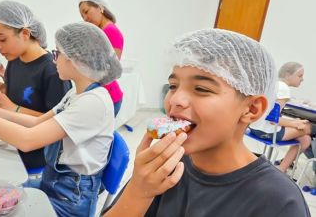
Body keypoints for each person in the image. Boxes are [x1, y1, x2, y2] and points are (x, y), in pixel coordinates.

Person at [104, 29, 310, 217]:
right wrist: (139, 191)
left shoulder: (279, 202)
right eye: (173, 85)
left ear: (251, 108)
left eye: (201, 89)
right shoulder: (166, 168)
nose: (174, 99)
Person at [0, 22, 122, 216]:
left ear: (75, 59)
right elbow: (37, 122)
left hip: (72, 198)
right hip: (53, 182)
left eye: (58, 53)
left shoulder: (92, 102)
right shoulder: (75, 93)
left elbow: (27, 140)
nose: (54, 60)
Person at [0, 1, 72, 173]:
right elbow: (15, 95)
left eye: (2, 39)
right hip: (10, 141)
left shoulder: (52, 71)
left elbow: (57, 122)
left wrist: (14, 109)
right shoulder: (16, 61)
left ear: (25, 33)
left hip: (35, 155)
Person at [250, 62, 312, 172]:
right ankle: (281, 170)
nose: (302, 79)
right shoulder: (283, 89)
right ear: (288, 75)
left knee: (305, 139)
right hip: (267, 132)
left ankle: (282, 168)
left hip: (254, 128)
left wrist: (293, 122)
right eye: (300, 76)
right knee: (307, 127)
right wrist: (295, 123)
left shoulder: (274, 84)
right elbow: (273, 119)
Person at [79, 0, 124, 116]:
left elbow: (111, 69)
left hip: (109, 94)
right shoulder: (103, 31)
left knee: (105, 134)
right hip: (104, 93)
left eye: (86, 11)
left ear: (100, 7)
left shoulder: (110, 31)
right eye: (82, 16)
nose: (85, 18)